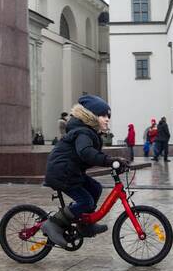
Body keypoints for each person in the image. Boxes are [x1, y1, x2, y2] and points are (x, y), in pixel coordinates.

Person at [41, 95, 126, 246]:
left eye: (108, 116)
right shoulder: (83, 133)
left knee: (95, 188)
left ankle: (84, 224)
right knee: (85, 200)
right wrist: (109, 161)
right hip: (62, 173)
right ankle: (53, 223)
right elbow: (86, 152)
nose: (107, 119)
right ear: (92, 116)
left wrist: (115, 161)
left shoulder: (88, 132)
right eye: (103, 115)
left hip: (71, 172)